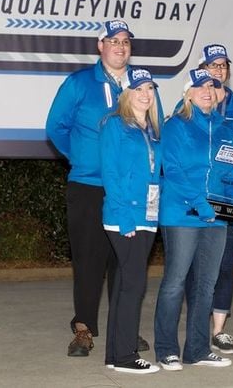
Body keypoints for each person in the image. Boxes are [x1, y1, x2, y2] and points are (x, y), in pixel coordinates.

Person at [46, 19, 149, 356]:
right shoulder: (79, 83)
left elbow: (151, 130)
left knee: (126, 262)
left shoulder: (140, 86)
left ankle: (124, 328)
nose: (121, 47)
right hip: (89, 187)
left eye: (126, 42)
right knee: (89, 262)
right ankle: (83, 329)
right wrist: (82, 158)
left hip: (129, 192)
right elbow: (56, 127)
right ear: (100, 46)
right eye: (114, 41)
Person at [154, 68, 233, 371]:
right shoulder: (175, 126)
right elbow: (174, 171)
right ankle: (166, 349)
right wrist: (202, 205)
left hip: (216, 218)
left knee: (206, 285)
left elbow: (231, 175)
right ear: (187, 92)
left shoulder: (225, 130)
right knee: (175, 283)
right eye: (200, 85)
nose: (208, 90)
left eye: (213, 85)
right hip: (181, 213)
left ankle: (198, 349)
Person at [184, 44, 233, 356]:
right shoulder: (188, 105)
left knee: (224, 265)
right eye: (213, 66)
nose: (219, 71)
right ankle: (196, 325)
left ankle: (219, 330)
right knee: (195, 267)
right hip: (196, 199)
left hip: (230, 197)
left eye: (223, 65)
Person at [99, 67, 162, 374]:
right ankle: (126, 357)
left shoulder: (151, 129)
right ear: (126, 93)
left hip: (147, 218)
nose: (145, 94)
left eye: (150, 88)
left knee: (126, 284)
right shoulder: (114, 125)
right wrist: (125, 218)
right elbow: (110, 174)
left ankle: (114, 355)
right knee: (134, 286)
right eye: (139, 89)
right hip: (125, 218)